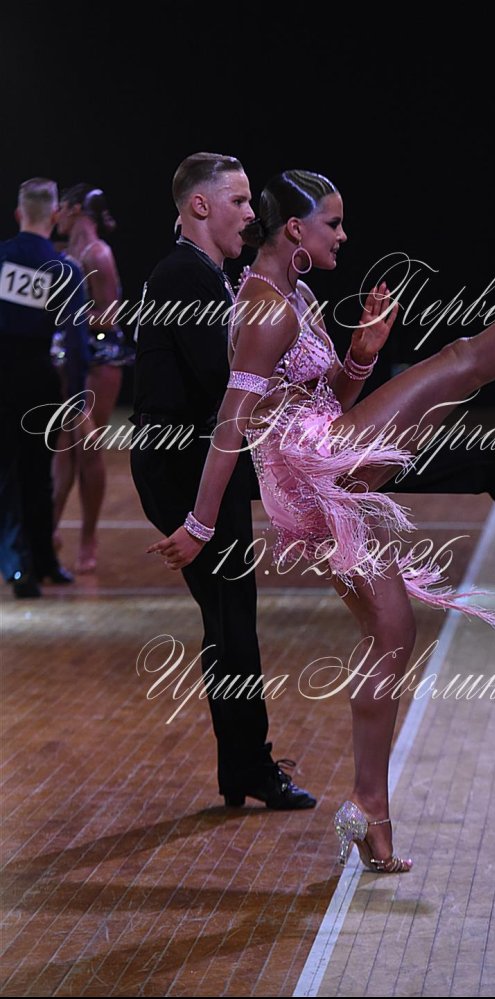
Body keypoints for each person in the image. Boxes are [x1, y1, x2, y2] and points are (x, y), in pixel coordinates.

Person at [149, 165, 495, 872]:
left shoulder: (293, 293)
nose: (343, 235)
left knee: (391, 631)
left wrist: (359, 358)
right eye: (333, 223)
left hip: (323, 466)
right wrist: (202, 525)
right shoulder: (265, 305)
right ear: (294, 228)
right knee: (464, 360)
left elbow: (318, 394)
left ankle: (370, 810)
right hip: (317, 468)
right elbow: (232, 425)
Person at [130, 152, 316, 811]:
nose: (249, 213)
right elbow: (230, 384)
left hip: (199, 456)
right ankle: (250, 768)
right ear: (200, 205)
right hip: (184, 463)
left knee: (229, 619)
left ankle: (243, 767)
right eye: (238, 201)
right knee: (232, 621)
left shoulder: (205, 274)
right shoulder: (185, 275)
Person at [0, 178, 90, 598]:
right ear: (55, 216)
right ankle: (41, 562)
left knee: (7, 473)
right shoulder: (65, 269)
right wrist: (78, 397)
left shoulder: (2, 258)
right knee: (38, 473)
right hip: (40, 379)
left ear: (19, 214)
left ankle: (21, 564)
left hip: (3, 376)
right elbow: (76, 341)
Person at [52, 185, 134, 573]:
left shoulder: (97, 253)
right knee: (61, 447)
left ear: (73, 210)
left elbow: (111, 315)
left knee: (87, 449)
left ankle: (88, 537)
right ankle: (49, 528)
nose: (56, 216)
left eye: (61, 209)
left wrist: (68, 317)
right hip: (70, 357)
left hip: (99, 360)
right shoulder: (66, 252)